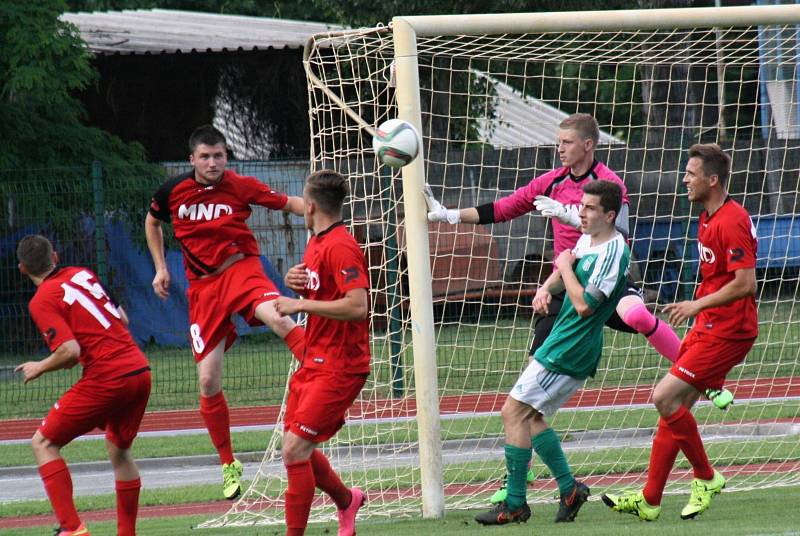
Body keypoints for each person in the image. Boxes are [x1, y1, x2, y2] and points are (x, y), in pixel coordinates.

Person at [426, 113, 733, 505]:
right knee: (527, 392)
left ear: (588, 145)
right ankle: (523, 474)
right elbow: (506, 207)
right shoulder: (551, 180)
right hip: (564, 287)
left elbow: (618, 234)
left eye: (567, 142)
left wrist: (569, 215)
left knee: (638, 314)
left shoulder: (610, 185)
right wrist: (451, 215)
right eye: (559, 143)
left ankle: (704, 379)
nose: (560, 149)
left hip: (606, 281)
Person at [145, 125, 306, 500]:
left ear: (226, 157)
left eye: (218, 155)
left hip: (242, 270)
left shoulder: (240, 185)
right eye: (205, 156)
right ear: (192, 159)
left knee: (279, 317)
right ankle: (228, 463)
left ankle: (320, 371)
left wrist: (322, 212)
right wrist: (160, 267)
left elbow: (290, 204)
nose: (213, 162)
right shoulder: (172, 191)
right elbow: (152, 222)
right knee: (207, 381)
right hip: (203, 288)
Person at [602, 143, 758, 521]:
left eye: (691, 173)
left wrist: (696, 305)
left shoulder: (731, 220)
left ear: (713, 179)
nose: (684, 180)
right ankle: (651, 499)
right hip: (708, 325)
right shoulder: (707, 217)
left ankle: (706, 477)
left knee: (665, 397)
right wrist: (698, 309)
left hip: (729, 330)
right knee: (673, 410)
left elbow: (746, 284)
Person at [474, 181, 630, 526]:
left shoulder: (614, 253)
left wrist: (564, 265)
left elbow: (585, 305)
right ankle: (569, 489)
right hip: (562, 341)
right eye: (581, 206)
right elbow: (565, 272)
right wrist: (546, 287)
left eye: (589, 208)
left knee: (512, 413)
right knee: (531, 418)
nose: (581, 213)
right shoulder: (590, 239)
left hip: (571, 348)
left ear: (610, 215)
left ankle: (514, 503)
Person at [15, 235, 151, 536]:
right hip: (139, 370)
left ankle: (73, 529)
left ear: (23, 269)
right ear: (57, 256)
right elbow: (123, 318)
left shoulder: (42, 300)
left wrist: (39, 367)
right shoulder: (83, 273)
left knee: (43, 443)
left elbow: (70, 352)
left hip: (108, 376)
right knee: (119, 451)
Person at [273, 170, 370, 536]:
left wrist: (301, 303)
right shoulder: (316, 242)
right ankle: (347, 501)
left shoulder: (341, 245)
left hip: (341, 365)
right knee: (296, 447)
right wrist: (295, 281)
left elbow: (357, 307)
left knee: (295, 449)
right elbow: (322, 289)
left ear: (310, 206)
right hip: (315, 358)